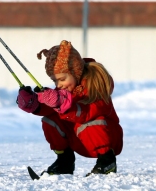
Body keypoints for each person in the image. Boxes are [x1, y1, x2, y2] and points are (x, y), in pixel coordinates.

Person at [16, 40, 123, 175]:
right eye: (54, 80)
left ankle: (107, 162)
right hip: (78, 140)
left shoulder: (97, 88)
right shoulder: (66, 89)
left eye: (61, 79)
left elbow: (87, 113)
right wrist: (34, 104)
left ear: (76, 73)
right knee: (49, 119)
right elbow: (51, 109)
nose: (58, 84)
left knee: (91, 121)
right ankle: (64, 161)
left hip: (107, 141)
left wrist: (61, 103)